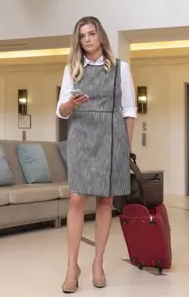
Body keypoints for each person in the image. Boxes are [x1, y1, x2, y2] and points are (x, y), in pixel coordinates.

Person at [56, 16, 136, 293]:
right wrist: (70, 103)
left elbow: (129, 110)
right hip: (81, 135)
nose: (87, 39)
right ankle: (71, 267)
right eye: (82, 35)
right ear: (78, 40)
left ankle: (98, 263)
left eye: (92, 33)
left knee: (105, 201)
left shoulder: (120, 69)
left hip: (112, 137)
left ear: (101, 36)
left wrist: (125, 149)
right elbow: (62, 112)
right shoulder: (72, 69)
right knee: (77, 199)